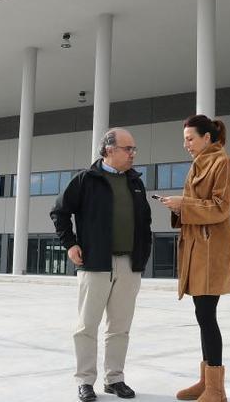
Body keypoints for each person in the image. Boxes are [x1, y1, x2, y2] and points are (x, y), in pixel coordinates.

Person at [50, 128, 153, 402]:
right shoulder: (86, 179)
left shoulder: (135, 182)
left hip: (129, 265)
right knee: (86, 326)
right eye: (127, 149)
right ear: (109, 149)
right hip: (95, 264)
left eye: (134, 149)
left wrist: (143, 254)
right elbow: (59, 211)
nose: (133, 154)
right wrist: (70, 244)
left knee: (120, 327)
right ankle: (85, 381)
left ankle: (115, 379)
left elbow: (145, 221)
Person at [160, 115, 230, 402]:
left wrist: (185, 204)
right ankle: (207, 381)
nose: (186, 145)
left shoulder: (224, 164)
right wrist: (178, 207)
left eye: (190, 138)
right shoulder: (198, 165)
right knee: (202, 315)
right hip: (196, 249)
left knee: (207, 315)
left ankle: (216, 389)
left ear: (208, 138)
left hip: (212, 250)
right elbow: (198, 207)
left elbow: (221, 207)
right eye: (184, 139)